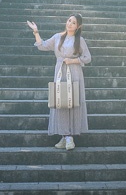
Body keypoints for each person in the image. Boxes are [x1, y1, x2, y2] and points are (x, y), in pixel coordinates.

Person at [26, 14, 91, 150]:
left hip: (74, 73)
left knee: (72, 102)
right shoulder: (58, 37)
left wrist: (73, 60)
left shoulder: (80, 40)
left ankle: (68, 137)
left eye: (73, 23)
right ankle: (65, 136)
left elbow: (87, 57)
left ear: (78, 26)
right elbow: (42, 45)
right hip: (60, 73)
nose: (70, 24)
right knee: (61, 102)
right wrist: (36, 32)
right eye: (69, 21)